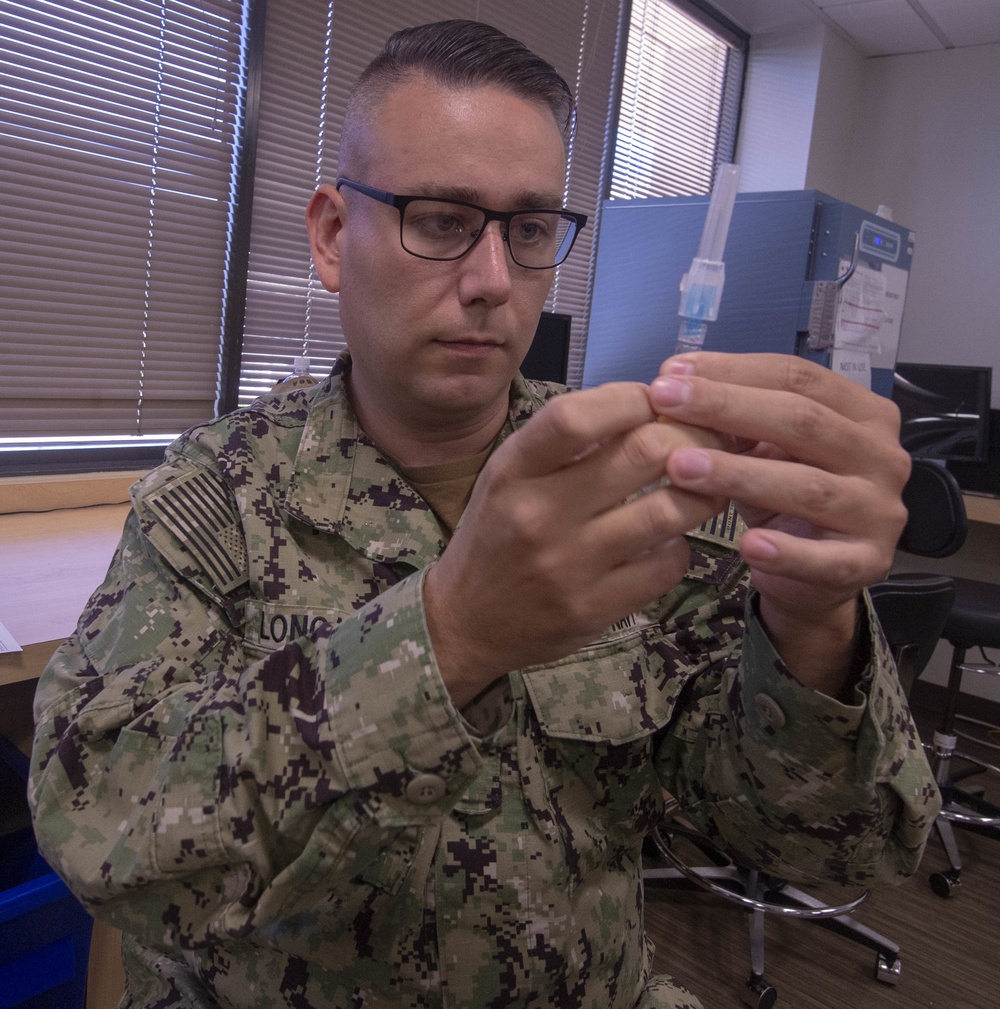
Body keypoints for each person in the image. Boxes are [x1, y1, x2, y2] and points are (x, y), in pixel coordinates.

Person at [29, 19, 939, 1009]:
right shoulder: (215, 500)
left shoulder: (634, 486)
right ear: (334, 236)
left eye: (529, 228)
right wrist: (451, 632)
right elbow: (101, 840)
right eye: (439, 218)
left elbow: (816, 840)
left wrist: (811, 623)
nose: (494, 281)